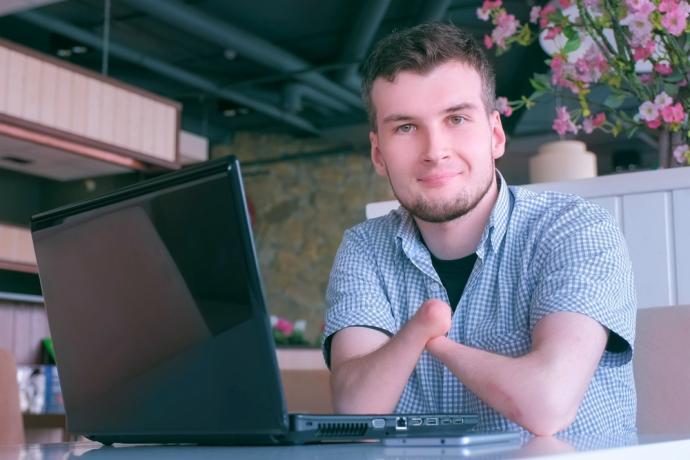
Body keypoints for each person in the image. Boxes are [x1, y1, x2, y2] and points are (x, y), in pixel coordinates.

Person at [322, 22, 636, 436]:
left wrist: (433, 340)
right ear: (379, 154)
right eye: (405, 127)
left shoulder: (575, 228)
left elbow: (547, 405)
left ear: (494, 135)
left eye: (456, 118)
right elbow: (354, 408)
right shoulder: (364, 247)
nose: (435, 151)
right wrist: (418, 329)